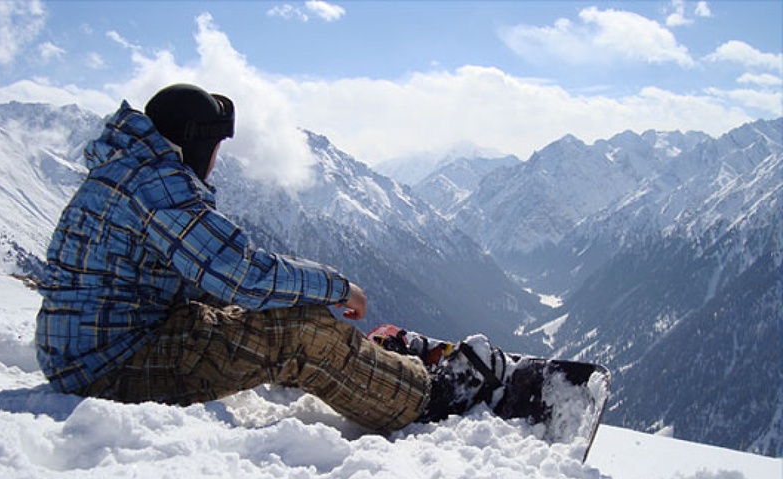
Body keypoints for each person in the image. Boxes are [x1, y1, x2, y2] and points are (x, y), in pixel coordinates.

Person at [35, 83, 549, 432]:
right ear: (195, 144)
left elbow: (208, 277)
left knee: (262, 315)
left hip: (97, 351)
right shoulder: (158, 186)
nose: (216, 162)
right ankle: (427, 396)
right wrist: (338, 287)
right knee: (301, 334)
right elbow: (241, 275)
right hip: (112, 369)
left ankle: (370, 367)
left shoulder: (127, 170)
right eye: (216, 147)